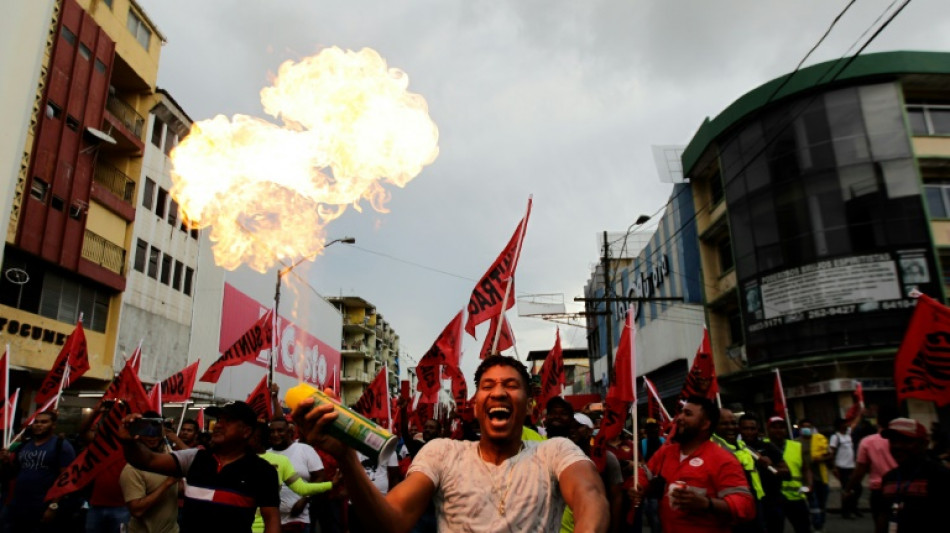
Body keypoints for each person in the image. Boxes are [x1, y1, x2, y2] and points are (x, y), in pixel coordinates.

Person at [294, 354, 610, 532]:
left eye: (511, 385)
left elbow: (590, 498)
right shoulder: (443, 453)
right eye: (488, 386)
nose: (498, 392)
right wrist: (348, 459)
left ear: (529, 405)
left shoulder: (554, 451)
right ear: (476, 405)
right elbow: (392, 520)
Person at [120, 401, 281, 533]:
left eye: (228, 421)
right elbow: (147, 461)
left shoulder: (263, 471)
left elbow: (272, 520)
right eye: (218, 420)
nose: (218, 425)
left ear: (246, 431)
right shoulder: (194, 458)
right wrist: (129, 442)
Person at [634, 396, 756, 533]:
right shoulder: (666, 452)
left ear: (705, 424)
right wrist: (638, 486)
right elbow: (645, 473)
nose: (679, 418)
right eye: (681, 412)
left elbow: (746, 505)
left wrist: (707, 504)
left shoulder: (723, 459)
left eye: (688, 414)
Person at [0, 410, 77, 533]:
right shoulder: (24, 445)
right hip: (18, 504)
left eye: (44, 422)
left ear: (53, 425)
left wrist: (53, 506)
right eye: (36, 422)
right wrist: (6, 461)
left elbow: (66, 478)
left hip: (43, 505)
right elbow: (13, 473)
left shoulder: (61, 445)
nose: (39, 425)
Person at [877, 418, 950, 532]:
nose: (897, 446)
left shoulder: (940, 476)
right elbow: (883, 516)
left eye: (905, 441)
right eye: (893, 441)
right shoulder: (889, 478)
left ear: (924, 444)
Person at [562, 412, 623, 533]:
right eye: (570, 427)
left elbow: (616, 497)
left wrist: (614, 528)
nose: (573, 430)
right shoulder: (561, 457)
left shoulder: (607, 458)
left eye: (578, 426)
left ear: (590, 431)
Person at [119, 412, 180, 533]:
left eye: (156, 431)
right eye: (146, 430)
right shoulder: (132, 469)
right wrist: (168, 483)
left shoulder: (168, 460)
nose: (152, 436)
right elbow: (137, 510)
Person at [268, 417, 326, 532]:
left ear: (289, 432)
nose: (275, 434)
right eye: (272, 431)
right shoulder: (265, 455)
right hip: (271, 521)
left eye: (280, 431)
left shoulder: (304, 450)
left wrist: (305, 499)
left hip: (298, 521)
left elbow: (320, 477)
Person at [713, 408, 764, 533]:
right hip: (732, 510)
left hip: (754, 503)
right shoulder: (712, 446)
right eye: (724, 424)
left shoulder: (741, 445)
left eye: (733, 423)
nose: (731, 427)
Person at [844, 415, 897, 533]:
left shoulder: (868, 442)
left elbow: (860, 470)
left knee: (882, 524)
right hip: (904, 487)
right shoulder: (904, 440)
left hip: (880, 491)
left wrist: (848, 489)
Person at [739, 414, 787, 533]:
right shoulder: (735, 448)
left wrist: (770, 466)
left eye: (752, 428)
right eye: (745, 428)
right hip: (749, 503)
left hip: (772, 501)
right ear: (739, 429)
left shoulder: (767, 447)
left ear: (758, 429)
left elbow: (786, 472)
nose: (749, 432)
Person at [765, 417, 810, 533]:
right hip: (773, 499)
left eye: (781, 427)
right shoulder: (761, 447)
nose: (778, 430)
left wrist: (809, 486)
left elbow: (806, 469)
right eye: (774, 427)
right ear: (768, 429)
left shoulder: (796, 446)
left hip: (796, 497)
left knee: (803, 529)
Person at [797, 418, 830, 533]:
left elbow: (830, 455)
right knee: (812, 503)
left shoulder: (820, 440)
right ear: (800, 428)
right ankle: (816, 526)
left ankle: (820, 525)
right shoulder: (796, 442)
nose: (806, 428)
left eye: (809, 426)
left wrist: (821, 458)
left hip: (821, 477)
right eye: (804, 426)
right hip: (804, 480)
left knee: (821, 504)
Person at [829, 416, 860, 519]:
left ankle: (854, 508)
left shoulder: (848, 434)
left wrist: (860, 411)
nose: (847, 425)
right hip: (842, 467)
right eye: (844, 424)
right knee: (846, 489)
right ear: (839, 426)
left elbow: (855, 422)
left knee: (858, 488)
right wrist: (834, 467)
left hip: (851, 466)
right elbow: (831, 453)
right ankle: (846, 511)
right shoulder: (835, 437)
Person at [640, 418, 665, 533]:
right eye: (649, 427)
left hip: (662, 482)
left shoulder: (663, 441)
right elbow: (641, 461)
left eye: (654, 427)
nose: (652, 430)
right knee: (651, 512)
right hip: (649, 482)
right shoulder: (642, 443)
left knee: (657, 512)